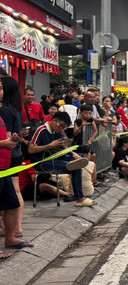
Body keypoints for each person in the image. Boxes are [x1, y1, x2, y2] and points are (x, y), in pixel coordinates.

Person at [29, 112, 95, 207]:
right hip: (43, 162)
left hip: (56, 157)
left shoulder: (57, 132)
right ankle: (80, 199)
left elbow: (61, 148)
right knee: (75, 168)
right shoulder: (41, 130)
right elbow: (30, 149)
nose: (61, 129)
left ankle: (73, 162)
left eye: (64, 128)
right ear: (54, 121)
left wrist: (72, 153)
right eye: (61, 126)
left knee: (80, 155)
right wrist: (49, 146)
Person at [0, 77, 26, 237]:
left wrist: (9, 142)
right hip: (14, 154)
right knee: (14, 191)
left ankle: (14, 228)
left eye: (1, 87)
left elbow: (8, 137)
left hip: (8, 156)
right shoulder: (16, 108)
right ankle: (16, 228)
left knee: (12, 192)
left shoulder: (5, 110)